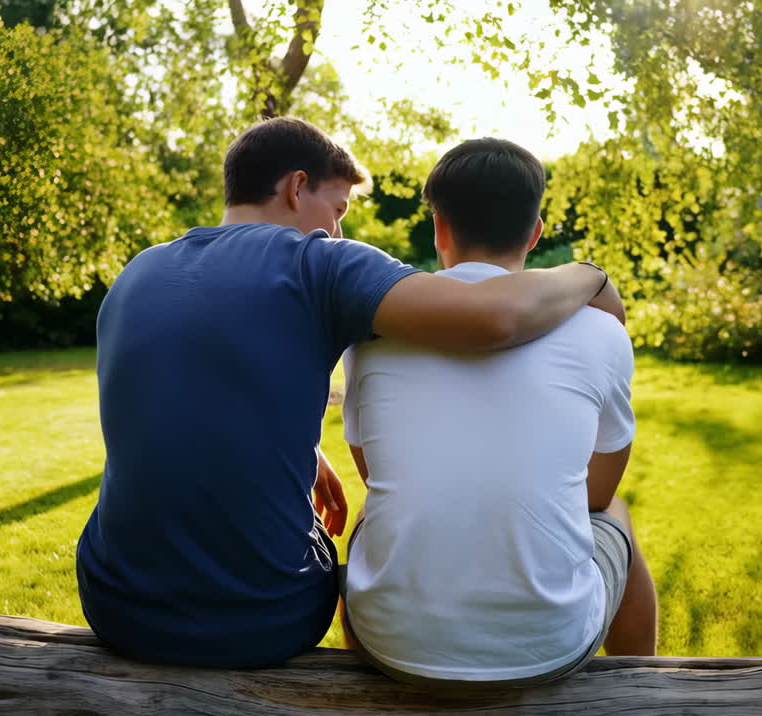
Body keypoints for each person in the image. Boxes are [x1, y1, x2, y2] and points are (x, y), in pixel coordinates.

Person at [74, 118, 618, 668]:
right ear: (295, 187)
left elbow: (179, 392)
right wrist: (590, 277)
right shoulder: (319, 262)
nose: (336, 230)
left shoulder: (139, 272)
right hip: (262, 619)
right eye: (337, 210)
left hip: (115, 605)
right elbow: (494, 317)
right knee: (359, 531)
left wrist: (305, 455)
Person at [340, 137, 658, 687]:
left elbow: (376, 475)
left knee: (369, 517)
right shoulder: (601, 331)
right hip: (548, 647)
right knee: (618, 518)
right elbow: (597, 496)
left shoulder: (371, 335)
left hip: (389, 648)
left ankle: (376, 687)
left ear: (439, 228)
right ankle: (643, 687)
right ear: (534, 233)